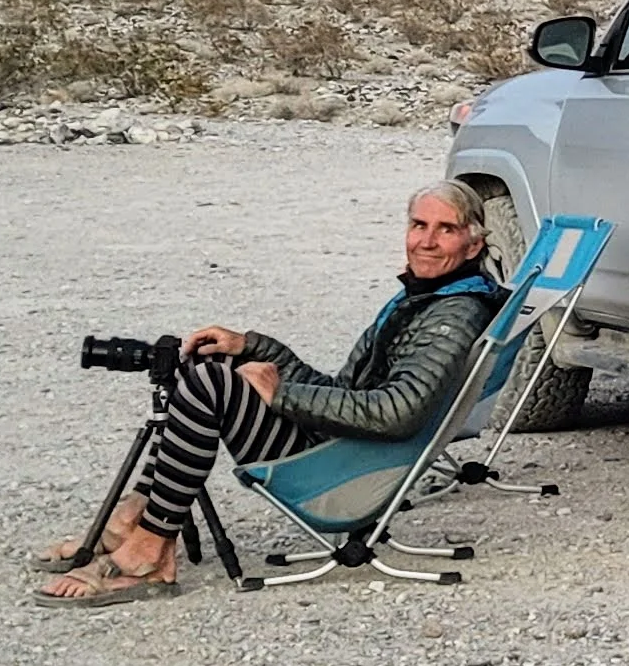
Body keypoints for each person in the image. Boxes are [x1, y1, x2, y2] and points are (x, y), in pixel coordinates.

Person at [37, 182, 507, 605]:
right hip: (349, 447)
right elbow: (343, 391)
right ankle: (133, 522)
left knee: (209, 384)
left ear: (473, 244)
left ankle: (151, 552)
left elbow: (396, 413)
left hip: (349, 471)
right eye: (418, 225)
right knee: (212, 362)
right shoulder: (427, 296)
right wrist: (251, 348)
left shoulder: (451, 316)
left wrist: (281, 396)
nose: (426, 240)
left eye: (445, 230)